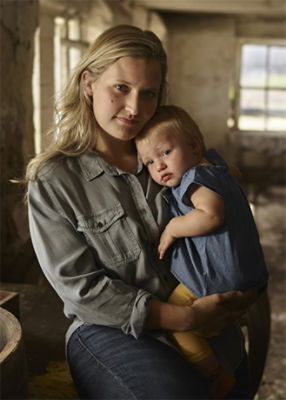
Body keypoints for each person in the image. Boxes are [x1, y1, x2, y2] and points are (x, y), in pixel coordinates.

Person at [24, 25, 259, 399]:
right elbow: (82, 291)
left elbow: (226, 222)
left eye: (148, 93)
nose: (135, 108)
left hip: (206, 320)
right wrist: (185, 318)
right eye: (121, 88)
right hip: (110, 331)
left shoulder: (172, 156)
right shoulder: (53, 181)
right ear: (89, 82)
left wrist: (231, 288)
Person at [135, 105, 268, 398]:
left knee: (178, 322)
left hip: (218, 277)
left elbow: (211, 215)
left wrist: (172, 228)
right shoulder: (215, 166)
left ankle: (214, 375)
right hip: (249, 271)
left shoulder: (196, 179)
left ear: (194, 146)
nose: (158, 166)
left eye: (165, 153)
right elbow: (235, 172)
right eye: (148, 162)